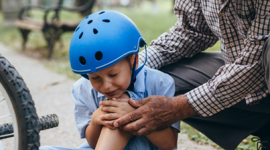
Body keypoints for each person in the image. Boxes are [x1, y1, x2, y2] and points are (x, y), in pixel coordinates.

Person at [108, 0, 270, 150]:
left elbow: (255, 64)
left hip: (260, 65)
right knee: (154, 79)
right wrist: (131, 68)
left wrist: (179, 107)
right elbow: (190, 31)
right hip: (243, 68)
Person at [40, 10, 180, 150]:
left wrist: (132, 115)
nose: (106, 86)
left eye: (113, 75)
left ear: (133, 61)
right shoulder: (82, 89)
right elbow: (94, 144)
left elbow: (169, 143)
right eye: (95, 78)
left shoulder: (161, 83)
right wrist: (95, 120)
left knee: (115, 117)